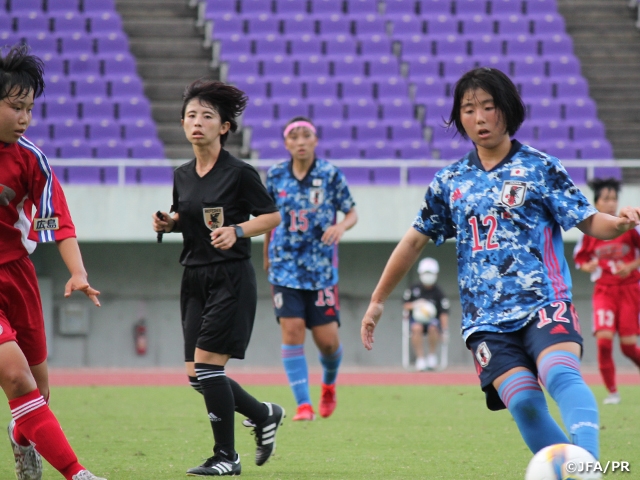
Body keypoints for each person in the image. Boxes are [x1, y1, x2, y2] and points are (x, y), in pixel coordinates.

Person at [360, 67, 640, 461]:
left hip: (545, 303)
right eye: (468, 109)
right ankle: (571, 468)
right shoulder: (449, 181)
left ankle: (587, 463)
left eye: (488, 107)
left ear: (506, 111)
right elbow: (412, 241)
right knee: (524, 402)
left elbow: (589, 219)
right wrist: (376, 299)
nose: (479, 118)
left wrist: (619, 224)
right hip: (485, 321)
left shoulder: (541, 167)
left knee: (560, 375)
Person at [152, 79, 284, 476]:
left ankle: (226, 456)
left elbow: (273, 215)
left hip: (230, 278)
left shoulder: (240, 173)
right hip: (192, 278)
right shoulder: (182, 173)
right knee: (197, 375)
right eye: (191, 115)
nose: (197, 122)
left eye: (207, 116)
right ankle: (264, 413)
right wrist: (170, 222)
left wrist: (238, 230)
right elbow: (186, 216)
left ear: (224, 126)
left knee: (210, 368)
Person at [0, 44, 105, 480]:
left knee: (39, 393)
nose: (25, 117)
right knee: (17, 377)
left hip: (17, 277)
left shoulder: (32, 159)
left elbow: (56, 220)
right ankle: (78, 474)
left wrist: (78, 272)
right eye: (15, 106)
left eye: (30, 108)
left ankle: (21, 437)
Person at [263, 116, 357, 421]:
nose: (301, 142)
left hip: (320, 271)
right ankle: (303, 405)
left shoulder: (330, 174)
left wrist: (342, 225)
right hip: (285, 267)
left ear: (316, 140)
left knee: (328, 343)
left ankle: (328, 384)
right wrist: (266, 254)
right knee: (291, 333)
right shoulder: (275, 175)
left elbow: (352, 211)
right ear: (286, 143)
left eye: (307, 136)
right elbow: (268, 218)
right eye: (294, 137)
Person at [573, 178, 640, 405]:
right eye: (606, 199)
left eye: (614, 199)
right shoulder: (590, 233)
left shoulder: (630, 229)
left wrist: (631, 266)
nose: (611, 204)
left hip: (629, 290)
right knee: (603, 341)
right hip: (604, 291)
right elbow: (580, 259)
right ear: (597, 204)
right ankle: (612, 392)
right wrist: (587, 266)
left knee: (629, 347)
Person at [403, 257, 450, 371]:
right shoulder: (414, 289)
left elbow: (444, 313)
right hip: (416, 320)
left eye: (430, 273)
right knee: (416, 328)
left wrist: (444, 330)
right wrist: (416, 304)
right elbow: (405, 304)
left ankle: (431, 356)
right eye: (426, 273)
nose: (428, 276)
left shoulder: (439, 292)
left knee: (433, 327)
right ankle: (420, 359)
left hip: (432, 321)